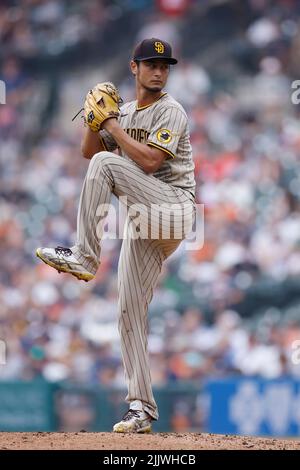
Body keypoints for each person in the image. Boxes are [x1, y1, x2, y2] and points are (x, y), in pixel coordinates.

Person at [36, 38, 196, 433]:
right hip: (144, 222)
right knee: (128, 311)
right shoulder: (122, 113)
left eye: (165, 65)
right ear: (134, 68)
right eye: (151, 63)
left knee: (111, 162)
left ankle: (86, 257)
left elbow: (149, 160)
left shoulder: (171, 111)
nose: (159, 70)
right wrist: (95, 122)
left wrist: (110, 126)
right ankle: (141, 408)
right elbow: (89, 153)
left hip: (175, 208)